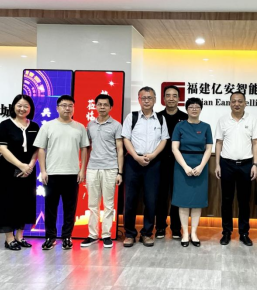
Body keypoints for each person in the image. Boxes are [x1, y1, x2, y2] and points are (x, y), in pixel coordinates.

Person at [33, 95, 89, 251]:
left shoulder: (80, 127)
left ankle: (67, 237)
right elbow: (41, 149)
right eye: (64, 105)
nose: (67, 108)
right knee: (50, 207)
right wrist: (43, 171)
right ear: (57, 108)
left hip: (72, 173)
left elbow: (84, 149)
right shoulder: (48, 126)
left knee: (70, 208)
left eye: (70, 105)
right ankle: (50, 237)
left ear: (74, 108)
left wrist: (82, 170)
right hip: (52, 173)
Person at [122, 86, 169, 247]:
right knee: (130, 199)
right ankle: (129, 234)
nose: (147, 101)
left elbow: (164, 140)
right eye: (144, 98)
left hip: (153, 163)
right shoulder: (132, 117)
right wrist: (136, 156)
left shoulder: (160, 119)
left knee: (151, 199)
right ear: (139, 99)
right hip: (133, 162)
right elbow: (126, 138)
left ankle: (147, 233)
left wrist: (154, 155)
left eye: (150, 98)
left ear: (155, 100)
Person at [215, 91, 257, 246]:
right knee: (226, 200)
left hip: (246, 164)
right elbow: (219, 143)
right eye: (234, 101)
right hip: (226, 164)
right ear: (230, 103)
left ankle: (244, 233)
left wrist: (255, 164)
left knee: (244, 201)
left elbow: (256, 143)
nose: (237, 104)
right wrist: (217, 164)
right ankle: (226, 232)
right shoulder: (223, 120)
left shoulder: (252, 119)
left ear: (245, 103)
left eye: (240, 101)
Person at [0, 94, 40, 250]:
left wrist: (30, 165)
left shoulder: (34, 126)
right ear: (13, 106)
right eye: (19, 105)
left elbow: (38, 149)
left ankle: (20, 236)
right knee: (8, 202)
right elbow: (2, 148)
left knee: (25, 202)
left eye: (26, 106)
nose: (22, 109)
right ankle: (9, 239)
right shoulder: (5, 125)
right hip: (8, 170)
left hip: (28, 171)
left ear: (30, 108)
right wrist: (21, 165)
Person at [81, 94, 124, 249]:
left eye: (105, 105)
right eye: (99, 104)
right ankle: (92, 235)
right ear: (96, 106)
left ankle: (106, 235)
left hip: (110, 168)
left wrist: (120, 172)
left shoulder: (116, 125)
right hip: (92, 168)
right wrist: (83, 169)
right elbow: (86, 148)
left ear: (110, 107)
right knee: (92, 204)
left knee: (108, 204)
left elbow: (120, 150)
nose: (102, 107)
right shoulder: (90, 125)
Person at [172, 98, 213, 247]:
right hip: (182, 166)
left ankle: (194, 233)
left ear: (201, 109)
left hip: (200, 166)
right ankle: (185, 233)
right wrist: (185, 167)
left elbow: (209, 148)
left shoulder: (206, 127)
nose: (194, 109)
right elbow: (174, 148)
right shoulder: (179, 126)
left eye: (197, 107)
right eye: (191, 106)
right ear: (187, 109)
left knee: (197, 202)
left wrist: (201, 166)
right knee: (183, 202)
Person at [156, 85, 187, 239]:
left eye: (174, 96)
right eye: (168, 95)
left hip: (179, 163)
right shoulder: (157, 117)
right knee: (161, 195)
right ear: (163, 98)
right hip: (159, 162)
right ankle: (160, 227)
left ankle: (176, 228)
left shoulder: (185, 117)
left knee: (177, 195)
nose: (171, 98)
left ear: (179, 99)